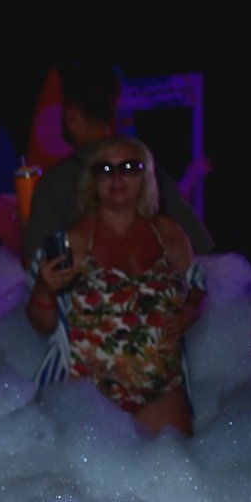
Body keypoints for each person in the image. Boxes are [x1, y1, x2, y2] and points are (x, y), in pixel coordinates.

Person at [25, 137, 205, 437]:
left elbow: (197, 282)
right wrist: (43, 290)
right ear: (92, 181)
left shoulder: (167, 233)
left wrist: (191, 309)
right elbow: (42, 325)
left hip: (161, 390)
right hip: (88, 392)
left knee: (180, 467)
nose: (117, 177)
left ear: (145, 176)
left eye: (129, 167)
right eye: (105, 169)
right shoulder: (73, 240)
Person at [21, 62, 213, 267]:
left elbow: (37, 267)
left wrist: (24, 228)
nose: (116, 180)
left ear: (71, 117)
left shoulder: (55, 183)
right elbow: (202, 249)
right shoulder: (146, 168)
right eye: (104, 172)